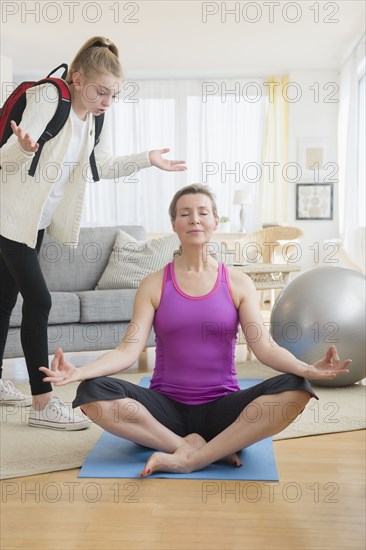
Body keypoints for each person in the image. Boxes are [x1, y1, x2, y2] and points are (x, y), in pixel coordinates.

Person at [40, 184, 352, 474]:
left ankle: (192, 459)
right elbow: (128, 349)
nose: (195, 220)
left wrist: (307, 369)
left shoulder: (237, 282)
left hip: (224, 412)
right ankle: (187, 448)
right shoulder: (153, 284)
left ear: (216, 221)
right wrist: (81, 372)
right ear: (174, 224)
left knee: (296, 388)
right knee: (91, 392)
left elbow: (265, 348)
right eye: (185, 214)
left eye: (203, 213)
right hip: (165, 414)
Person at [0, 36, 186, 430]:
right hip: (7, 215)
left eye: (114, 95)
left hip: (32, 221)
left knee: (4, 300)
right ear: (79, 78)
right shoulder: (50, 98)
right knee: (40, 300)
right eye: (101, 91)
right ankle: (43, 403)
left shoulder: (95, 118)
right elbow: (6, 155)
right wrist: (25, 149)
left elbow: (101, 167)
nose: (107, 101)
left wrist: (146, 160)